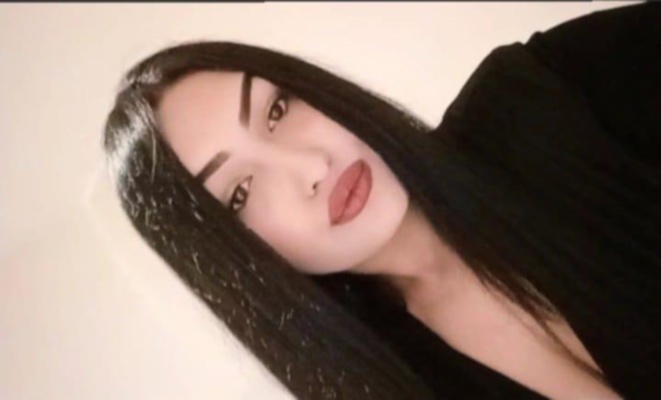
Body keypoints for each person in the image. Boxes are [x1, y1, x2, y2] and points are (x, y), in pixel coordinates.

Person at [102, 3, 660, 399]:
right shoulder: (382, 382)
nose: (311, 168)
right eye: (241, 192)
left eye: (277, 110)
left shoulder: (537, 100)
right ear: (237, 266)